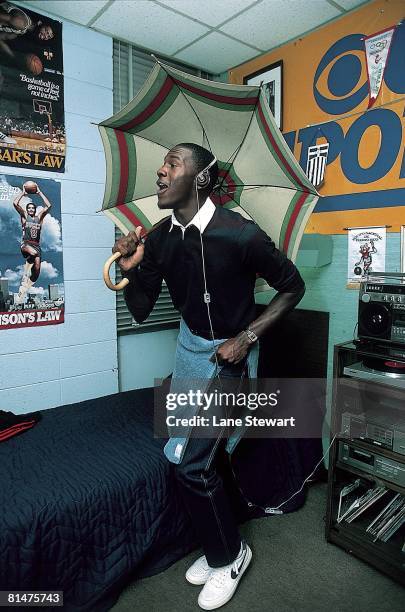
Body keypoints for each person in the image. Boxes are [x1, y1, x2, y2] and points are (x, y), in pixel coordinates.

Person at [112, 143, 305, 610]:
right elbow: (139, 309)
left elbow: (293, 286)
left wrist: (249, 336)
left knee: (193, 464)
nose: (160, 172)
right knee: (187, 453)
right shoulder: (158, 238)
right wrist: (130, 268)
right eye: (163, 165)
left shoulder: (242, 235)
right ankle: (219, 544)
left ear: (200, 180)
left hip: (231, 360)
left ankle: (231, 555)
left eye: (172, 164)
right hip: (190, 353)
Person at [13, 182, 52, 304]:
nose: (30, 209)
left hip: (36, 246)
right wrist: (23, 193)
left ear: (35, 210)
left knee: (37, 272)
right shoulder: (24, 216)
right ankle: (28, 262)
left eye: (32, 208)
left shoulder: (39, 218)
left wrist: (39, 192)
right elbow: (15, 203)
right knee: (33, 253)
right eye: (28, 208)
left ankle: (25, 284)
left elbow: (49, 206)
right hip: (26, 245)